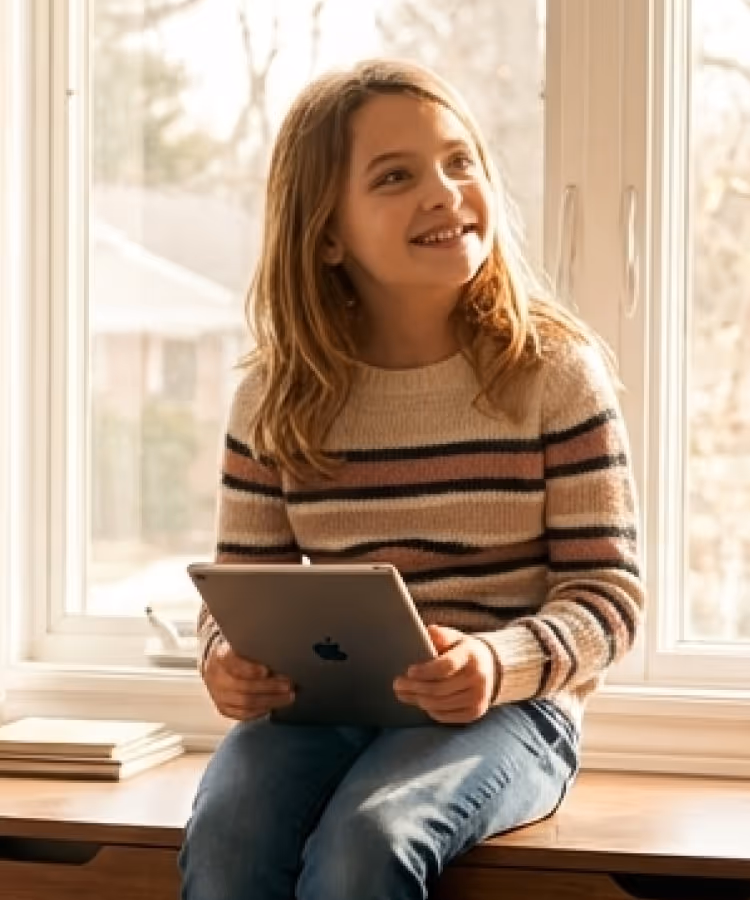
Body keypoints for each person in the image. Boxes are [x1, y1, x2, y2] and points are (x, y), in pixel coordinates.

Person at [178, 58, 644, 900]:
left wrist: (496, 663)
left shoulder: (554, 373)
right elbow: (243, 593)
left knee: (369, 843)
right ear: (326, 233)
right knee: (226, 836)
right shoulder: (275, 395)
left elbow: (609, 596)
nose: (444, 192)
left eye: (460, 161)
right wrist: (224, 659)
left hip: (512, 711)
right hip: (328, 707)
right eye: (396, 176)